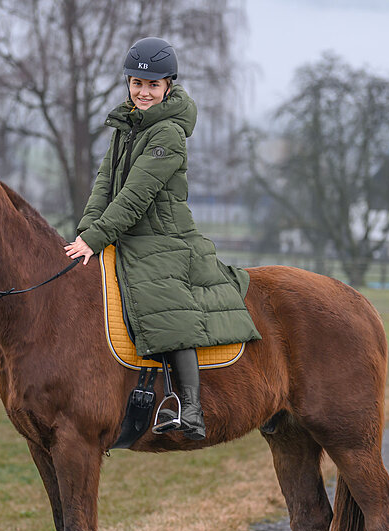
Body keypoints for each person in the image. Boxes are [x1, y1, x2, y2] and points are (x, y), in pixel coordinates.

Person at [65, 37, 261, 440]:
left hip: (163, 236)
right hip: (124, 233)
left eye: (153, 85)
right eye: (137, 83)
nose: (144, 92)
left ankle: (190, 408)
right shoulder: (125, 125)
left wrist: (100, 236)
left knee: (163, 302)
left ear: (169, 85)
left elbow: (136, 195)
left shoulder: (168, 133)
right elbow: (105, 184)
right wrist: (87, 232)